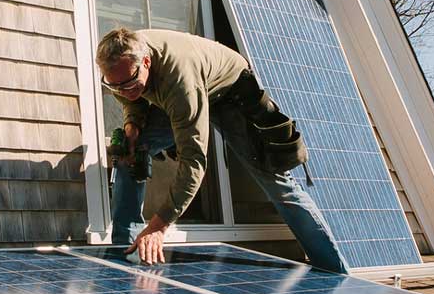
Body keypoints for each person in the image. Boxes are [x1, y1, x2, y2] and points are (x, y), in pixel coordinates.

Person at [95, 27, 348, 273]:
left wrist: (159, 225)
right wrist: (133, 125)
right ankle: (124, 250)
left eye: (129, 83)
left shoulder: (180, 83)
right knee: (130, 150)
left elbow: (193, 161)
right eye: (115, 87)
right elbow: (134, 100)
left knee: (277, 183)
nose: (124, 92)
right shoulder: (121, 71)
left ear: (147, 62)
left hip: (231, 92)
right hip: (187, 88)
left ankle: (332, 268)